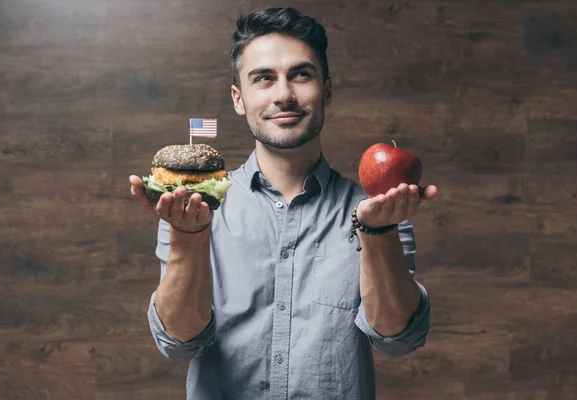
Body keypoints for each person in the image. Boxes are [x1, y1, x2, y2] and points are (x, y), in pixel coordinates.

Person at [129, 7, 437, 400]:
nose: (284, 95)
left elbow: (398, 338)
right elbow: (179, 341)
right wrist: (189, 237)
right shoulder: (191, 207)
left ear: (326, 89)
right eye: (264, 79)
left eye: (301, 74)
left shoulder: (380, 210)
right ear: (239, 99)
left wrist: (377, 233)